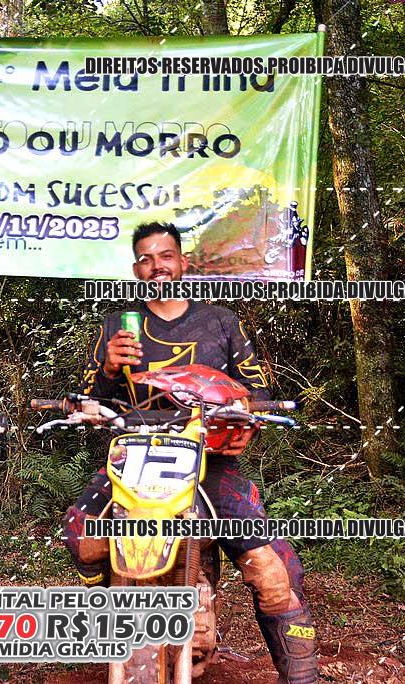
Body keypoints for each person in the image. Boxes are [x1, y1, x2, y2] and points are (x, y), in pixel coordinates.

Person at [62, 222, 318, 684]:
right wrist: (108, 367)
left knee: (272, 571)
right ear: (136, 269)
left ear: (182, 263)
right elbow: (87, 399)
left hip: (209, 462)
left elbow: (258, 391)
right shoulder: (117, 326)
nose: (156, 265)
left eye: (165, 256)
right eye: (145, 258)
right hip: (135, 460)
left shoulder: (221, 321)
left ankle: (301, 677)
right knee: (82, 535)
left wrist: (247, 422)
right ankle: (110, 614)